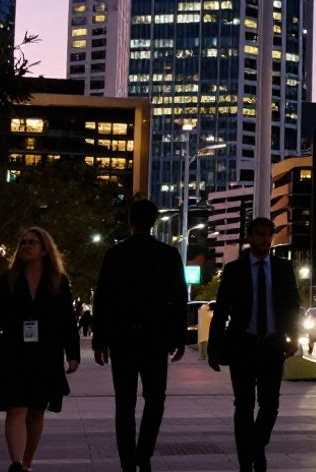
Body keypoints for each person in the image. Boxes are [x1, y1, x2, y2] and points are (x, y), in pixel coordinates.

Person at [93, 199, 188, 472]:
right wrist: (179, 338)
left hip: (122, 338)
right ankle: (143, 451)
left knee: (124, 403)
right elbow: (179, 298)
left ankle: (127, 459)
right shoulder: (169, 255)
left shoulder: (115, 254)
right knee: (155, 398)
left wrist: (100, 340)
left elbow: (103, 299)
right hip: (155, 339)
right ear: (154, 222)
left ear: (130, 222)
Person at [0, 227, 81, 472]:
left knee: (36, 411)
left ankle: (26, 463)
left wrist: (73, 353)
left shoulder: (58, 281)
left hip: (46, 352)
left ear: (44, 249)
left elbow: (67, 319)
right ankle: (16, 463)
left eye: (31, 242)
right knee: (16, 406)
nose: (25, 246)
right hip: (14, 350)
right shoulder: (9, 279)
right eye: (22, 242)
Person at [208, 217, 301, 472]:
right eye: (259, 234)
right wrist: (214, 348)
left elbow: (293, 305)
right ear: (249, 237)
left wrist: (295, 336)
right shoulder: (234, 270)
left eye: (268, 235)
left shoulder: (282, 268)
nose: (264, 240)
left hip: (272, 345)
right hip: (243, 345)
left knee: (270, 405)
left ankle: (255, 447)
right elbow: (221, 311)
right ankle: (246, 461)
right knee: (244, 405)